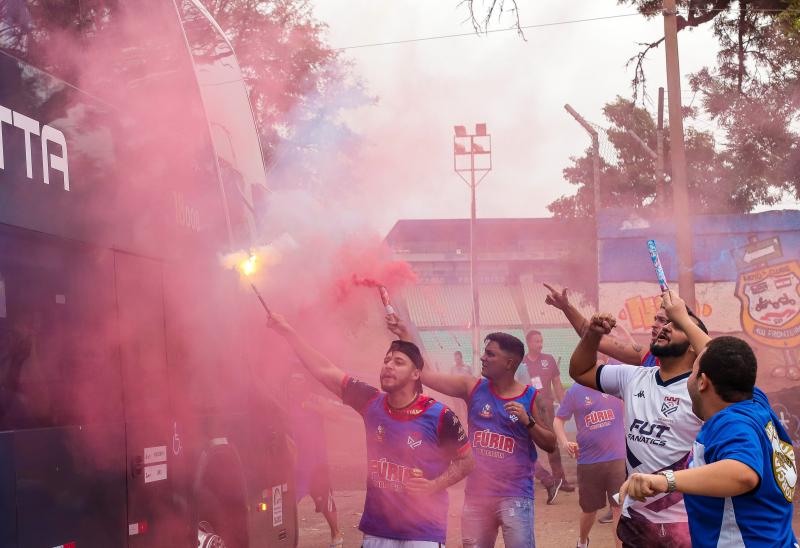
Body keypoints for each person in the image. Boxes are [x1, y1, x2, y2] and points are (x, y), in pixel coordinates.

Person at [267, 312, 474, 548]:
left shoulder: (440, 415)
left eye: (398, 362)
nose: (388, 366)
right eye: (387, 360)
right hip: (377, 531)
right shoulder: (370, 402)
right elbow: (325, 370)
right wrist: (288, 332)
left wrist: (433, 485)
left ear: (416, 374)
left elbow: (467, 460)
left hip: (423, 533)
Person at [388, 316, 556, 548]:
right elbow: (425, 375)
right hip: (477, 496)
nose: (483, 358)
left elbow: (551, 443)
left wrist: (528, 422)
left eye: (490, 354)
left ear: (509, 363)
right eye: (485, 353)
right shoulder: (472, 387)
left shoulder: (530, 397)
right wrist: (405, 336)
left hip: (515, 496)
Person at [621, 334, 798, 547]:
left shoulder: (730, 424)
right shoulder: (756, 404)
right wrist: (680, 316)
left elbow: (743, 474)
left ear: (703, 382)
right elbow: (723, 357)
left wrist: (663, 481)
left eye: (692, 371)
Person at [566, 289, 710, 548]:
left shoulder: (705, 391)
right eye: (664, 323)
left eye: (676, 326)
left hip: (686, 523)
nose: (664, 328)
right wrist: (593, 334)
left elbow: (717, 359)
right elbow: (581, 370)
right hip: (637, 521)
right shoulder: (633, 377)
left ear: (693, 344)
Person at [553, 381, 625, 548]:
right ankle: (583, 541)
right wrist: (565, 442)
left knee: (618, 509)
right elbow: (558, 420)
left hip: (617, 459)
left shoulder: (612, 384)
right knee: (589, 510)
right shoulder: (575, 391)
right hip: (589, 462)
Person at [544, 283, 665, 368]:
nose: (654, 325)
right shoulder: (646, 357)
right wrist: (566, 307)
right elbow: (591, 336)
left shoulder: (684, 369)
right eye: (655, 319)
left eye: (661, 320)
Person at [286, 373, 344, 548]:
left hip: (316, 462)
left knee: (325, 501)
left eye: (299, 380)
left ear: (306, 385)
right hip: (295, 464)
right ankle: (287, 539)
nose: (294, 384)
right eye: (292, 380)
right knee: (288, 503)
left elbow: (336, 415)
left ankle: (336, 535)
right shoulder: (285, 404)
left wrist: (312, 406)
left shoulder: (315, 400)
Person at [521, 329, 575, 501]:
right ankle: (543, 479)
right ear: (529, 343)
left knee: (552, 444)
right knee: (524, 444)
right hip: (528, 408)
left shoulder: (548, 360)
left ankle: (561, 480)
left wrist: (565, 405)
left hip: (547, 408)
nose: (540, 344)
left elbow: (557, 384)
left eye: (541, 341)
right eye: (536, 341)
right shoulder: (521, 364)